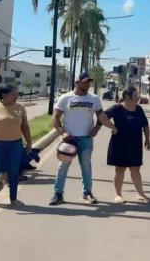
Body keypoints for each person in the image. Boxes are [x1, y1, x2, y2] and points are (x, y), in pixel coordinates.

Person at [49, 72, 117, 206]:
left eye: (88, 82)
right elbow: (55, 117)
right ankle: (58, 194)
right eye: (84, 82)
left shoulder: (94, 99)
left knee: (86, 165)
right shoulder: (65, 98)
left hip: (86, 138)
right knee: (63, 165)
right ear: (77, 83)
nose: (87, 84)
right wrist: (62, 133)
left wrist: (97, 128)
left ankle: (87, 192)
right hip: (69, 139)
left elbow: (101, 115)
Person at [104, 87, 150, 204]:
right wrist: (113, 127)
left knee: (135, 169)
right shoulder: (117, 108)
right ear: (127, 97)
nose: (137, 98)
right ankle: (118, 194)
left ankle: (140, 194)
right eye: (135, 96)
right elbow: (102, 116)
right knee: (120, 169)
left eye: (137, 96)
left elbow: (145, 124)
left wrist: (147, 139)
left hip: (135, 144)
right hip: (119, 143)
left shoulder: (139, 109)